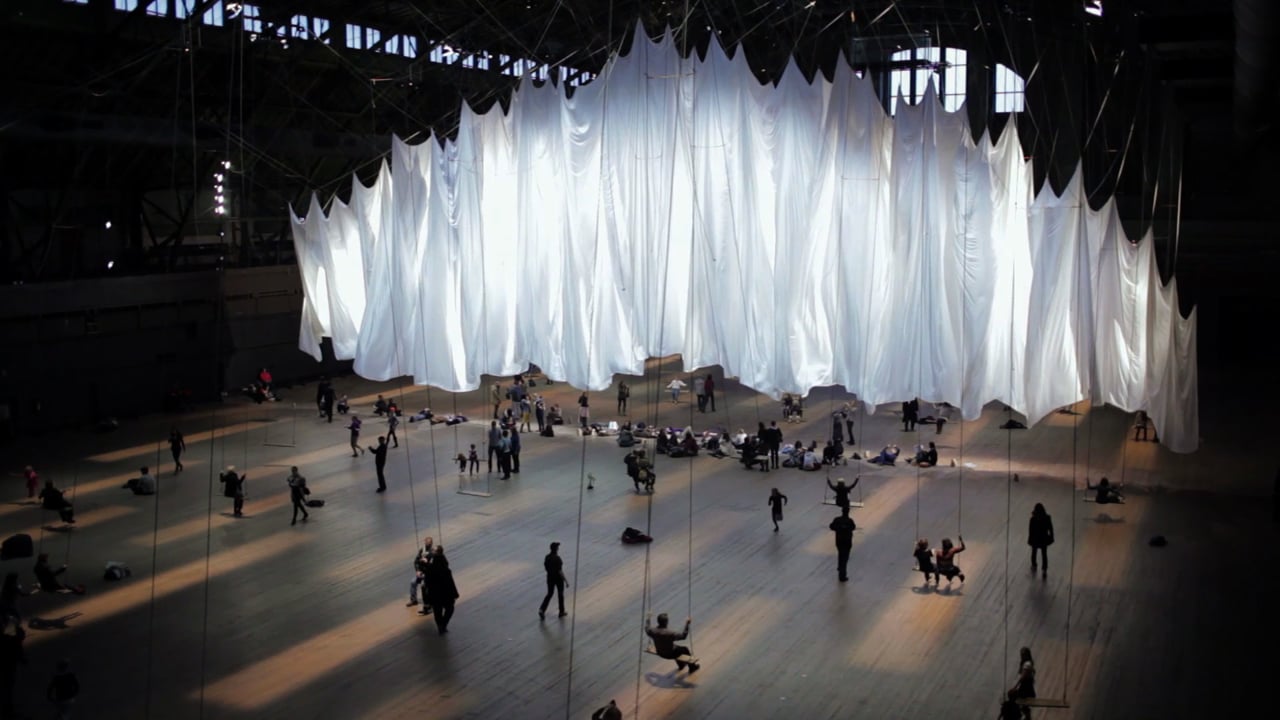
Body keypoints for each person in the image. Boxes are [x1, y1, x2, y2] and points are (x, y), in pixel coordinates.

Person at [425, 546, 459, 635]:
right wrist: (455, 594)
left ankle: (440, 626)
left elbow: (427, 582)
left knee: (437, 611)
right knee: (450, 609)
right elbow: (451, 583)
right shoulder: (446, 570)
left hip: (435, 594)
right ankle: (443, 624)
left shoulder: (430, 569)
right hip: (446, 594)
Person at [0, 614, 26, 720]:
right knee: (7, 687)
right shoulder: (9, 627)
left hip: (8, 658)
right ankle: (8, 713)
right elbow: (15, 641)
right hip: (7, 660)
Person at [538, 542, 568, 620]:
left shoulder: (547, 557)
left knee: (549, 594)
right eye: (558, 547)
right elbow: (560, 571)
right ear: (556, 549)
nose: (558, 548)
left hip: (550, 578)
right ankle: (561, 612)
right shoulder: (558, 559)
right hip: (558, 579)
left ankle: (542, 609)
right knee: (560, 594)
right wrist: (566, 581)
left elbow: (546, 567)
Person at [829, 507, 856, 581]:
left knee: (841, 555)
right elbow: (853, 527)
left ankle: (840, 567)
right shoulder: (850, 521)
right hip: (847, 541)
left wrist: (839, 529)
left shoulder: (837, 520)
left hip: (839, 541)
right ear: (848, 512)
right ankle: (842, 574)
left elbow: (831, 526)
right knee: (845, 557)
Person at [1028, 503, 1054, 579]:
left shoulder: (1033, 519)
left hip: (1035, 538)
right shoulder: (1047, 518)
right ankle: (1044, 569)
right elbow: (1051, 529)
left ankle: (1034, 565)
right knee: (1044, 554)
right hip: (1043, 538)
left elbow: (1030, 531)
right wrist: (1052, 537)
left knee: (1034, 552)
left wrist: (1030, 539)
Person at [1009, 647, 1036, 719]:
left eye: (1023, 654)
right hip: (1025, 686)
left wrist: (1015, 687)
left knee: (1017, 700)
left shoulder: (1027, 664)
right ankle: (1027, 717)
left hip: (1026, 687)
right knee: (1023, 704)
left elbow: (1022, 677)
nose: (1022, 656)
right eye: (1021, 654)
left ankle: (1026, 716)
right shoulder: (1026, 663)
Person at [408, 537, 434, 611]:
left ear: (431, 543)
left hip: (429, 574)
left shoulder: (433, 552)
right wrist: (417, 571)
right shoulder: (421, 550)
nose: (427, 544)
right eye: (426, 543)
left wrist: (427, 561)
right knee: (413, 582)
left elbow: (433, 565)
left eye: (429, 543)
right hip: (421, 573)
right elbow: (416, 561)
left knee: (424, 586)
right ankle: (413, 600)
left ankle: (428, 604)